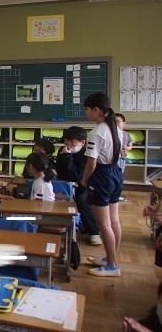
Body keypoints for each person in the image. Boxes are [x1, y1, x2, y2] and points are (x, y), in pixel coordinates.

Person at [81, 92, 123, 277]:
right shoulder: (116, 128)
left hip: (102, 176)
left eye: (87, 110)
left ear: (97, 110)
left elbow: (91, 163)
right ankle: (111, 258)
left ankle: (112, 265)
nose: (86, 113)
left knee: (103, 224)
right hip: (115, 173)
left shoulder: (96, 132)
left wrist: (84, 180)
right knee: (114, 221)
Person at [57, 126, 102, 246]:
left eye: (72, 143)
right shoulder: (63, 151)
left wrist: (67, 157)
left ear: (82, 142)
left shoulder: (87, 155)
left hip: (86, 185)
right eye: (66, 141)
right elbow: (61, 172)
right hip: (67, 183)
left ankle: (94, 232)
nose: (68, 145)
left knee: (82, 199)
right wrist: (66, 157)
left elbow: (77, 176)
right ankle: (60, 225)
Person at [116, 113, 133, 202]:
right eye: (113, 122)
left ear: (124, 123)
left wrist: (127, 148)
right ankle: (111, 194)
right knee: (112, 177)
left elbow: (130, 145)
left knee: (120, 177)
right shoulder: (110, 134)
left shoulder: (126, 134)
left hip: (122, 159)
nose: (115, 124)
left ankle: (117, 195)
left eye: (117, 122)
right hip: (113, 159)